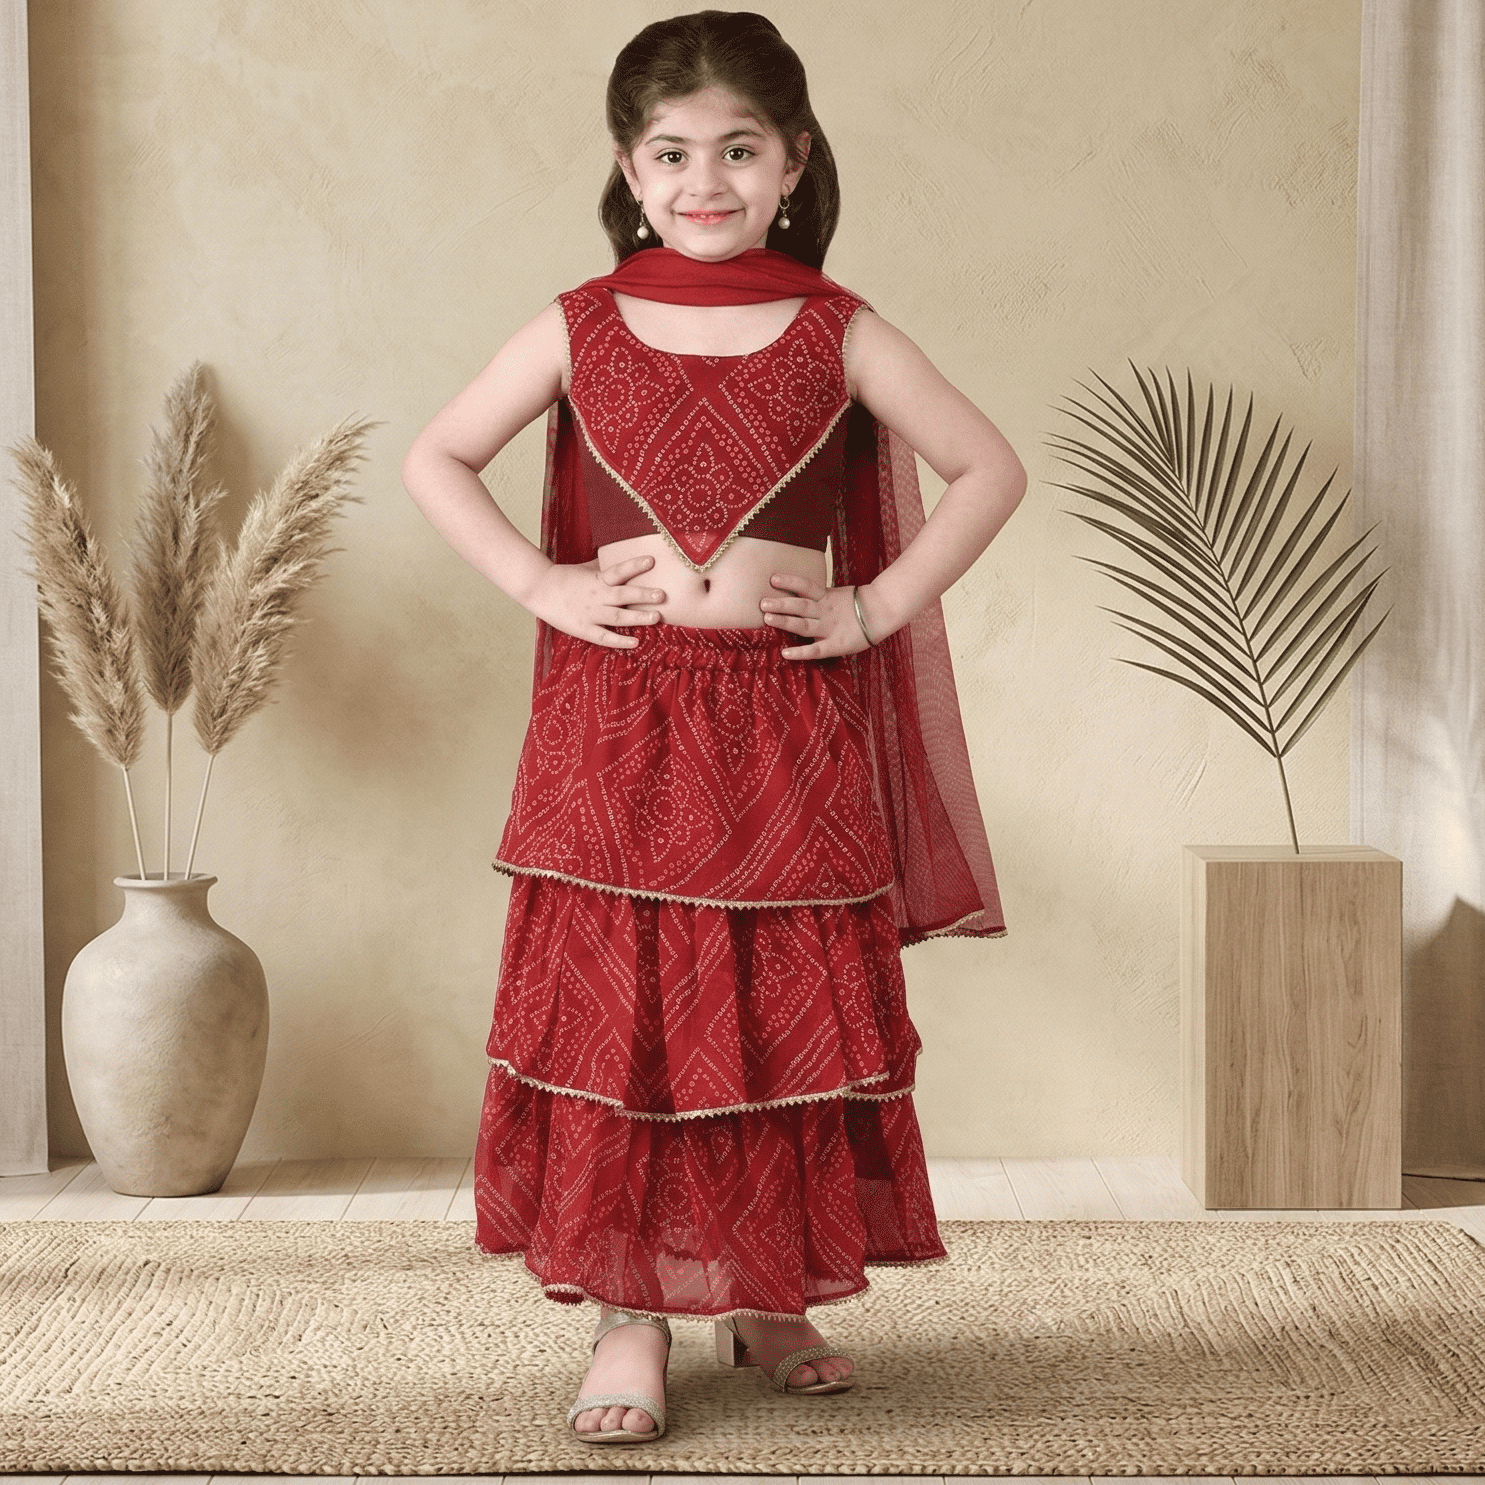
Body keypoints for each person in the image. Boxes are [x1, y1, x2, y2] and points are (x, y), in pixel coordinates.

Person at [401, 9, 1026, 1447]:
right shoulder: (578, 322)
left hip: (786, 738)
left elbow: (989, 466)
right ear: (628, 166)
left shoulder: (836, 327)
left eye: (740, 149)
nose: (706, 179)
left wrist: (870, 613)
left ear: (793, 160)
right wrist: (536, 581)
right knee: (637, 1023)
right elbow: (437, 456)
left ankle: (771, 1293)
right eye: (673, 153)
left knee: (768, 1016)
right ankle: (635, 1317)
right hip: (618, 738)